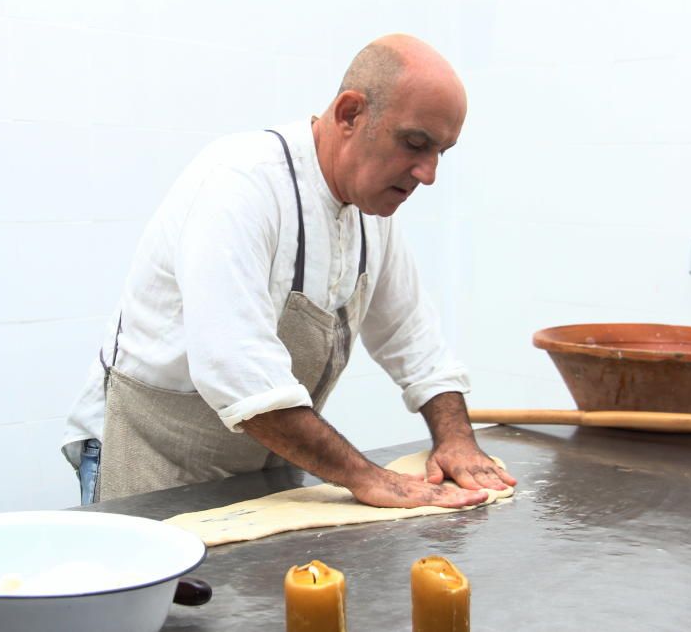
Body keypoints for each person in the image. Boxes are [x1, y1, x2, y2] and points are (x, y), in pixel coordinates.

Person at [62, 33, 517, 507]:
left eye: (441, 151)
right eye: (415, 143)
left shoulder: (370, 210)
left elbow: (414, 340)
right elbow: (238, 371)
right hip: (155, 462)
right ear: (349, 114)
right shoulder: (241, 184)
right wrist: (365, 476)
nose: (428, 173)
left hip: (264, 472)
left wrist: (456, 439)